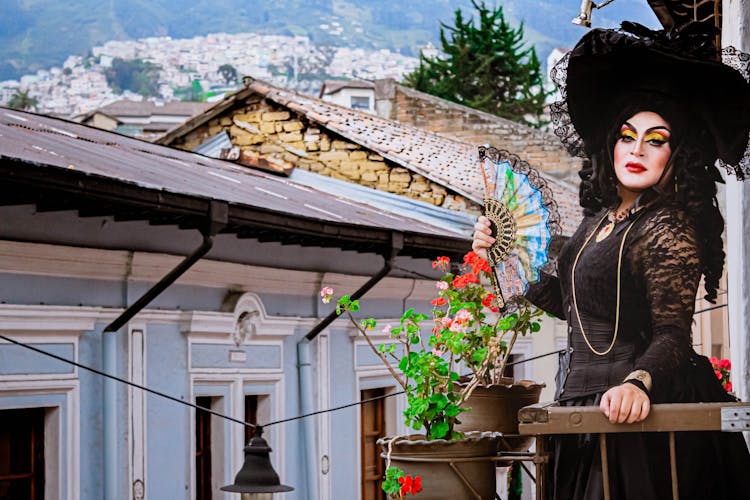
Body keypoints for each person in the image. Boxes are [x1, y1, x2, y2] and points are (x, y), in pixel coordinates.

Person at [472, 22, 750, 500]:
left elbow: (672, 334)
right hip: (582, 407)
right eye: (627, 135)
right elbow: (574, 304)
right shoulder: (600, 219)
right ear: (611, 144)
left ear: (675, 154)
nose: (638, 149)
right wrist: (501, 252)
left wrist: (637, 384)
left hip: (641, 412)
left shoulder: (668, 227)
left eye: (655, 139)